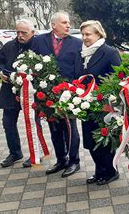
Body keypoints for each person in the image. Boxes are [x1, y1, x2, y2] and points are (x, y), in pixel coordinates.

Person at [32, 11, 82, 177]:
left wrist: (75, 90)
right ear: (53, 25)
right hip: (47, 94)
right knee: (54, 128)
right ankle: (61, 159)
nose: (68, 25)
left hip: (68, 93)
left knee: (70, 128)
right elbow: (32, 62)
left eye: (68, 23)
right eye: (64, 23)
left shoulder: (76, 43)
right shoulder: (39, 41)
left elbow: (78, 69)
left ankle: (74, 161)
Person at [74, 20, 121, 185]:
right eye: (83, 34)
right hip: (85, 106)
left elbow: (117, 79)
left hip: (104, 106)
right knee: (90, 141)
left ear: (99, 34)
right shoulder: (81, 53)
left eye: (88, 34)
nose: (85, 38)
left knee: (104, 141)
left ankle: (110, 171)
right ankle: (99, 170)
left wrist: (101, 94)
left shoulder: (110, 52)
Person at [0, 19, 35, 168]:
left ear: (32, 33)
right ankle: (15, 152)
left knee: (34, 124)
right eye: (18, 32)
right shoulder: (9, 46)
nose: (20, 35)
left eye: (24, 32)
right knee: (8, 123)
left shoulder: (38, 46)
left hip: (31, 92)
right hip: (9, 91)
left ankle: (36, 153)